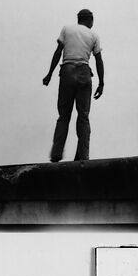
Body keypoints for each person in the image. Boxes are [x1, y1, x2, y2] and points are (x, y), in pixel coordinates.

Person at [43, 9, 104, 162]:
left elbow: (58, 52)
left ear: (78, 19)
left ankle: (56, 153)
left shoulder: (66, 29)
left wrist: (49, 73)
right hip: (84, 72)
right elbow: (98, 60)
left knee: (64, 115)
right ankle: (83, 156)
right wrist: (101, 83)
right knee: (83, 116)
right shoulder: (93, 35)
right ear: (90, 20)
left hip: (67, 71)